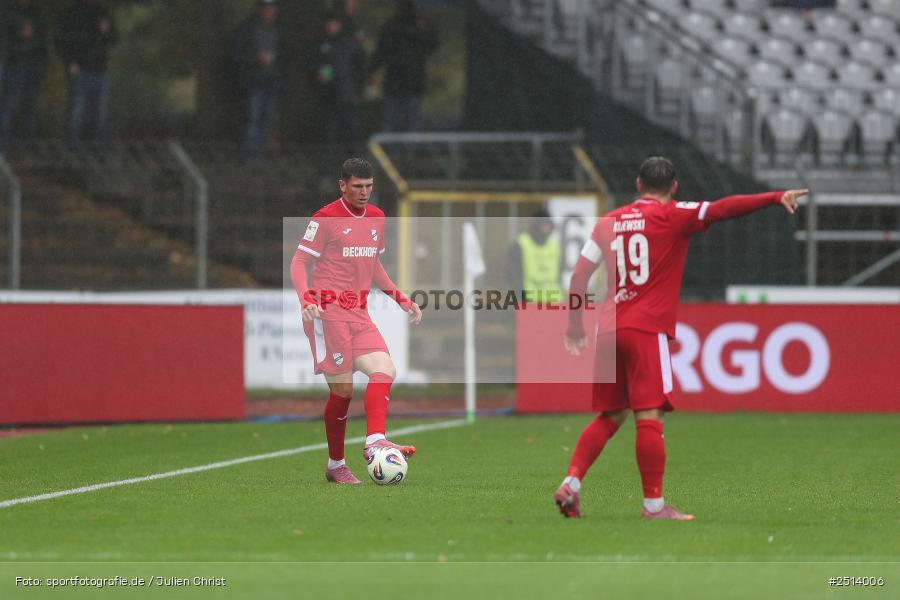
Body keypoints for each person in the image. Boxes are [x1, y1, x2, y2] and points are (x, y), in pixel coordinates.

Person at [555, 156, 807, 519]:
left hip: (608, 328)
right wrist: (773, 197)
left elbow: (579, 278)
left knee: (610, 414)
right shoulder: (675, 215)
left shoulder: (608, 221)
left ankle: (572, 483)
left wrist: (574, 326)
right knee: (650, 415)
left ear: (638, 185)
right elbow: (723, 209)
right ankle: (654, 507)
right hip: (645, 327)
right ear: (673, 188)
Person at [290, 157, 423, 485]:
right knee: (344, 390)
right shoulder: (325, 219)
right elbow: (298, 262)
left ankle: (375, 439)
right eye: (357, 186)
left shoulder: (377, 218)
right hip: (328, 314)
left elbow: (373, 264)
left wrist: (400, 298)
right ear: (343, 185)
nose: (364, 192)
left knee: (385, 369)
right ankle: (336, 464)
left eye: (369, 186)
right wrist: (306, 299)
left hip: (359, 314)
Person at [55, 0, 117, 146]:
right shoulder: (72, 13)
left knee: (99, 112)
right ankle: (72, 146)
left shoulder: (103, 12)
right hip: (79, 69)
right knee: (77, 110)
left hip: (99, 70)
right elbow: (60, 40)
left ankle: (96, 147)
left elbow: (114, 38)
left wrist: (107, 30)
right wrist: (69, 62)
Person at [369, 0, 437, 132]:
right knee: (402, 124)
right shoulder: (393, 27)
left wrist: (370, 70)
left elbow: (432, 45)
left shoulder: (396, 26)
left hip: (406, 85)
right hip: (403, 85)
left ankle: (401, 151)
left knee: (401, 124)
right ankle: (399, 151)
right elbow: (380, 52)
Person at [233, 0, 283, 158]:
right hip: (254, 81)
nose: (270, 11)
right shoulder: (248, 29)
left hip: (272, 79)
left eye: (272, 8)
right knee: (253, 117)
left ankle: (263, 155)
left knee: (269, 118)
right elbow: (239, 54)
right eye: (267, 8)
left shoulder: (278, 29)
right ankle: (251, 156)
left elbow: (284, 54)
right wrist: (256, 58)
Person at [308, 11, 365, 149]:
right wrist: (319, 78)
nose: (332, 26)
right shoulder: (319, 43)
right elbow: (312, 67)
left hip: (347, 96)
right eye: (330, 23)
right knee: (329, 134)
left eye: (335, 23)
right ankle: (328, 166)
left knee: (352, 133)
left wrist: (358, 90)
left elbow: (360, 68)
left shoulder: (348, 44)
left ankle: (354, 165)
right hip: (328, 98)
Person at [0, 0, 46, 152]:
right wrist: (19, 30)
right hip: (15, 63)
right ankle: (3, 146)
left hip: (32, 64)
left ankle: (28, 146)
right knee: (8, 105)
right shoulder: (8, 10)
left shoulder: (35, 12)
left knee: (30, 107)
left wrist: (40, 61)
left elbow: (41, 37)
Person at [506, 208, 562, 303]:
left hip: (553, 302)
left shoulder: (555, 247)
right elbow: (511, 274)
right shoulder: (520, 245)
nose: (546, 229)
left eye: (548, 226)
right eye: (544, 225)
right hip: (529, 302)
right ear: (536, 225)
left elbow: (561, 275)